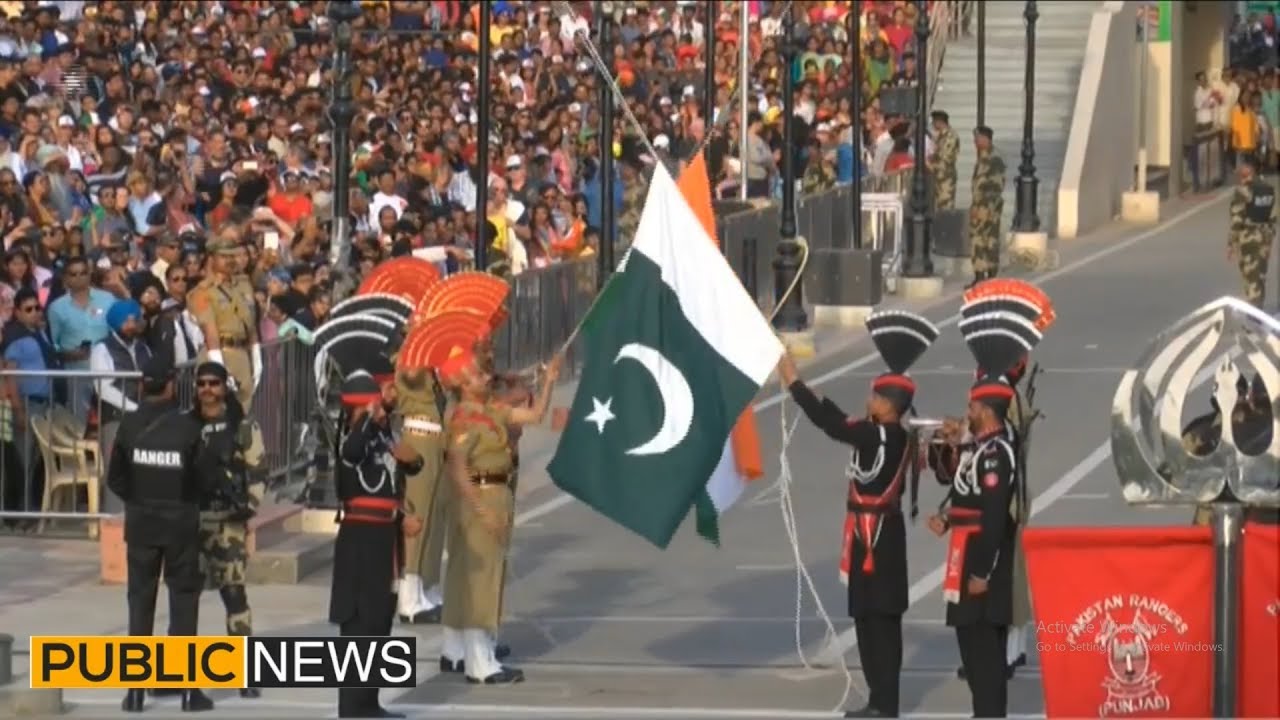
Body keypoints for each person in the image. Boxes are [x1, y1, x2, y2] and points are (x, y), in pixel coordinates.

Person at [776, 309, 940, 719]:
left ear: (889, 405)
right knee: (872, 619)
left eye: (875, 397)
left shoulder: (879, 435)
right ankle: (883, 700)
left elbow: (831, 423)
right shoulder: (898, 433)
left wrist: (795, 383)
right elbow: (842, 422)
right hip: (883, 532)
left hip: (876, 535)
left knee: (877, 622)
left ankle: (884, 703)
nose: (869, 401)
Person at [928, 315, 1042, 719]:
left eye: (973, 404)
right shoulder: (979, 446)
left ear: (988, 411)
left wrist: (980, 571)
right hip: (965, 553)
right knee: (972, 652)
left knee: (986, 660)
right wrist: (945, 517)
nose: (967, 409)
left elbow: (993, 516)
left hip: (981, 563)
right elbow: (960, 486)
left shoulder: (996, 452)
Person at [437, 342, 561, 685]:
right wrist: (481, 510)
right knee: (482, 580)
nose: (484, 376)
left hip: (496, 493)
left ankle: (463, 648)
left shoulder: (490, 410)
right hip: (479, 497)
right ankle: (480, 660)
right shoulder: (463, 418)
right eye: (477, 374)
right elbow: (457, 469)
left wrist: (549, 380)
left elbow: (534, 416)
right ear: (463, 383)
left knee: (475, 576)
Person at [104, 351, 214, 714]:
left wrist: (139, 501)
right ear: (170, 385)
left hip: (142, 524)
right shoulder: (187, 428)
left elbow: (115, 477)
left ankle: (135, 692)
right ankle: (186, 691)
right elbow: (203, 481)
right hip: (180, 525)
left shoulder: (129, 426)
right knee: (183, 604)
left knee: (140, 604)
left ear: (140, 386)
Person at [325, 334, 424, 719]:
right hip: (360, 540)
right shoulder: (353, 437)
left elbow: (411, 467)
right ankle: (351, 706)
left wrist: (409, 457)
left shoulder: (382, 435)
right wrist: (369, 417)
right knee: (359, 623)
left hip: (386, 539)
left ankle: (370, 701)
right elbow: (352, 453)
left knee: (380, 619)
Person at [192, 361, 265, 697]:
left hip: (228, 523)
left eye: (214, 383)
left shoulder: (241, 425)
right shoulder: (186, 424)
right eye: (202, 383)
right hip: (192, 520)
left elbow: (258, 471)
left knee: (234, 595)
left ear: (224, 387)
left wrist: (247, 509)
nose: (207, 389)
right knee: (185, 597)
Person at [394, 362, 449, 625]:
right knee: (418, 515)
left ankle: (427, 584)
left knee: (436, 516)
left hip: (437, 436)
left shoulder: (432, 360)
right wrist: (423, 358)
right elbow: (412, 378)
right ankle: (408, 595)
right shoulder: (410, 357)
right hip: (418, 435)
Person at [90, 299, 154, 512]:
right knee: (116, 469)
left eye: (135, 320)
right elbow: (104, 388)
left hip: (143, 418)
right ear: (117, 323)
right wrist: (133, 408)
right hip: (117, 417)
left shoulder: (143, 347)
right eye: (128, 321)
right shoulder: (102, 349)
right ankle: (114, 517)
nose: (133, 325)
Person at [188, 235, 261, 411]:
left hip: (242, 353)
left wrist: (257, 357)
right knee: (216, 412)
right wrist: (218, 369)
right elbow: (210, 331)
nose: (230, 261)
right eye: (224, 256)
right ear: (211, 258)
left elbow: (250, 323)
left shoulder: (243, 285)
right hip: (219, 353)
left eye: (232, 256)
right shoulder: (202, 292)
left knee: (243, 414)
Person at [1227, 156, 1276, 309]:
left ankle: (1254, 318)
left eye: (1242, 166)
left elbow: (1237, 220)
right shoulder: (1268, 189)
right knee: (1260, 277)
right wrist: (1269, 237)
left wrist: (1231, 244)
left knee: (1251, 279)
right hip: (1265, 239)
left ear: (1249, 169)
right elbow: (1273, 217)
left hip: (1248, 240)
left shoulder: (1243, 191)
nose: (1239, 170)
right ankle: (1258, 311)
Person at [967, 126, 1007, 288]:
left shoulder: (994, 159)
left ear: (986, 139)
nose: (976, 142)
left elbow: (995, 186)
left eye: (978, 139)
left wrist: (984, 207)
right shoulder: (982, 158)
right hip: (980, 206)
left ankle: (990, 274)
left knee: (987, 240)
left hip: (989, 207)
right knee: (979, 240)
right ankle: (980, 275)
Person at [928, 111, 960, 211]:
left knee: (945, 208)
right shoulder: (940, 136)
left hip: (945, 178)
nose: (932, 125)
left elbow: (946, 159)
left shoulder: (950, 136)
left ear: (939, 122)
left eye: (934, 122)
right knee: (938, 208)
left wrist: (929, 165)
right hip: (938, 178)